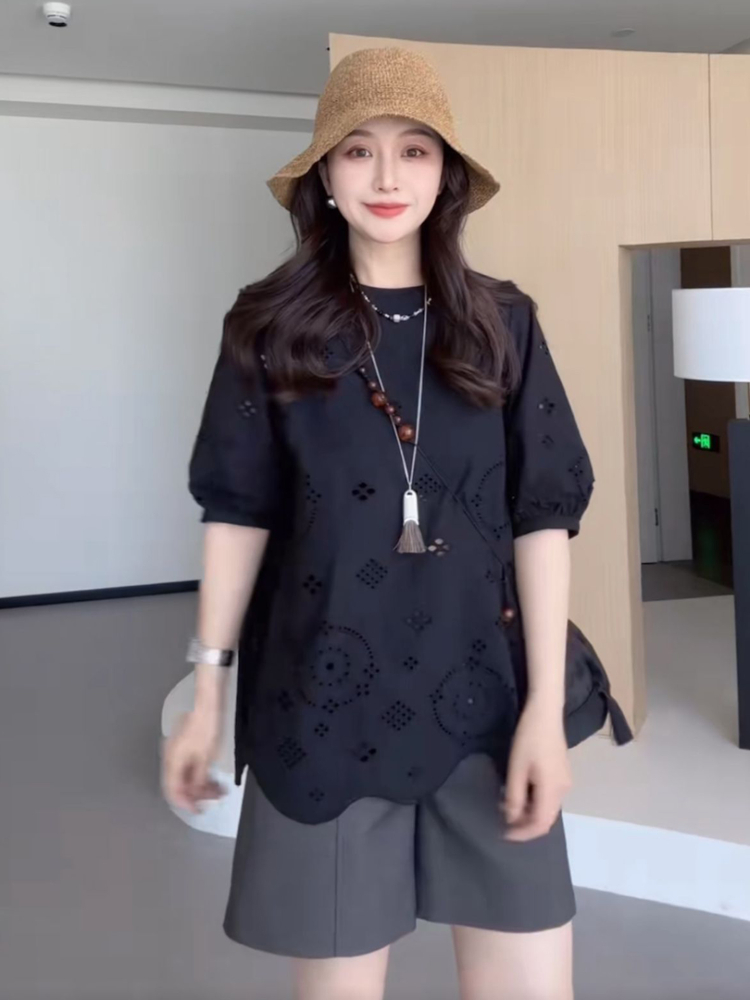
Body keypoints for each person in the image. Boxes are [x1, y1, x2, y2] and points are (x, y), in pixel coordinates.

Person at [162, 46, 606, 1000]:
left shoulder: (503, 324)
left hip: (486, 700)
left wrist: (541, 706)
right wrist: (207, 691)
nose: (387, 176)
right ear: (324, 176)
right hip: (323, 705)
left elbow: (543, 517)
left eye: (414, 150)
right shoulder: (267, 327)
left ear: (445, 175)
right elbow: (237, 511)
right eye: (358, 151)